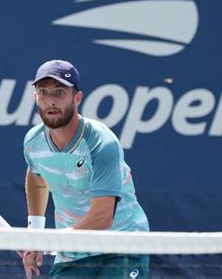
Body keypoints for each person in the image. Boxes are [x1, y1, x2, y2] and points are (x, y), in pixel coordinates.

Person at [22, 59, 150, 278]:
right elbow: (37, 176)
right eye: (43, 92)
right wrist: (35, 232)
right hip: (73, 255)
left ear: (77, 98)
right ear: (36, 97)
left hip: (122, 246)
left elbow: (102, 216)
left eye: (60, 92)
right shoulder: (33, 142)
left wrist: (51, 241)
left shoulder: (101, 142)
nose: (51, 100)